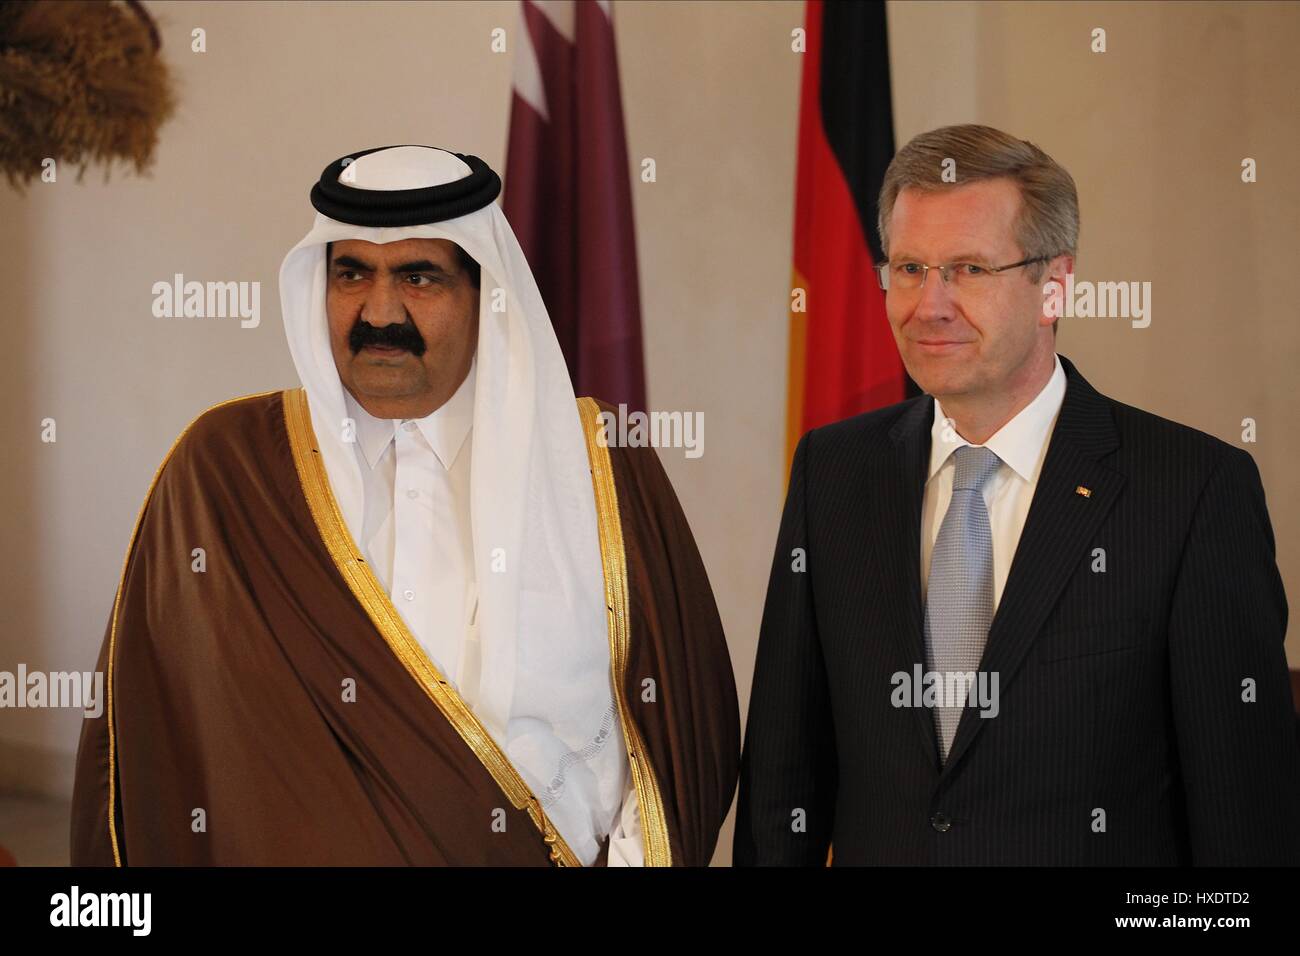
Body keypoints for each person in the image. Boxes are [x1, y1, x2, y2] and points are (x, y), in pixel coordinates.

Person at [71, 144, 739, 866]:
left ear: (487, 296)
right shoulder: (225, 472)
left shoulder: (602, 465)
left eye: (419, 277)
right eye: (351, 274)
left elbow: (682, 733)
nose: (378, 312)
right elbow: (151, 740)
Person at [735, 124, 1300, 866]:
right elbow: (784, 781)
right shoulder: (833, 473)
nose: (928, 304)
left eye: (968, 269)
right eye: (908, 267)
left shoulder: (1191, 492)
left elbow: (1244, 824)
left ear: (1055, 286)